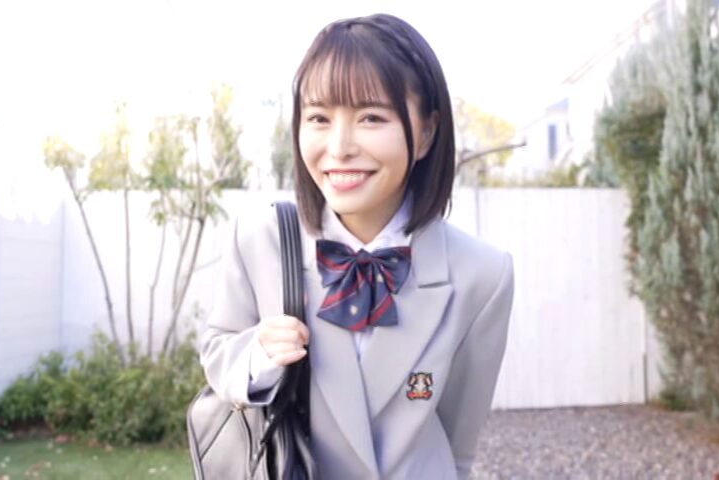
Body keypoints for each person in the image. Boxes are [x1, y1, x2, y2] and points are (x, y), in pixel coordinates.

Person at [200, 13, 515, 480]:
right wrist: (260, 355)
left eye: (371, 117)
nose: (340, 147)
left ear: (426, 133)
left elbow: (458, 441)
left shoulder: (483, 275)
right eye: (319, 118)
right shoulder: (260, 240)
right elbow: (218, 354)